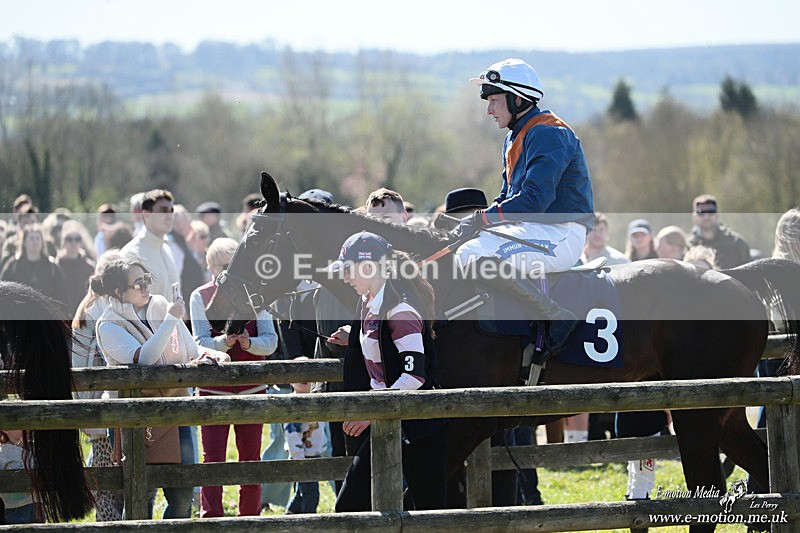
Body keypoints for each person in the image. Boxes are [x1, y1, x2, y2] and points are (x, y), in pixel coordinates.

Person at [452, 57, 594, 359]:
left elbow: (534, 199)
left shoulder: (548, 132)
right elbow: (506, 197)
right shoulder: (515, 136)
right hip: (539, 230)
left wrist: (482, 219)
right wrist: (475, 222)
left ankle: (555, 315)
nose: (489, 109)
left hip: (561, 235)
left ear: (517, 99)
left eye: (494, 100)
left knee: (471, 254)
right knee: (464, 247)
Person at [92, 259, 229, 519]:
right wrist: (170, 320)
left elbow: (191, 350)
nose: (145, 287)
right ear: (119, 292)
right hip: (136, 419)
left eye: (147, 279)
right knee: (140, 498)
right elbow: (144, 358)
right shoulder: (108, 325)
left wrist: (212, 354)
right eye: (138, 283)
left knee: (183, 497)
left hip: (178, 413)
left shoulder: (163, 308)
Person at [327, 231, 448, 512]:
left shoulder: (400, 310)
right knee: (349, 508)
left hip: (419, 430)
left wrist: (373, 413)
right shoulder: (369, 304)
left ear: (368, 267)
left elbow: (414, 376)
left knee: (430, 515)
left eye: (348, 270)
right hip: (387, 424)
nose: (345, 278)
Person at [189, 238, 279, 518]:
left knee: (251, 458)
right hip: (213, 388)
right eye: (226, 266)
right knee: (212, 459)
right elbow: (198, 342)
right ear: (212, 268)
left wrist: (249, 343)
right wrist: (224, 343)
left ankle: (250, 518)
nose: (232, 272)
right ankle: (211, 518)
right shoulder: (199, 296)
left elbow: (271, 341)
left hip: (253, 387)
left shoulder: (257, 296)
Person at [71, 249, 125, 522]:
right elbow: (83, 361)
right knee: (107, 476)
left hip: (100, 400)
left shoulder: (96, 305)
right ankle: (109, 524)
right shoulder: (97, 308)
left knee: (108, 468)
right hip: (99, 400)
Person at [283, 367, 329, 515]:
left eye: (308, 374)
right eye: (299, 374)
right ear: (291, 380)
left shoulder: (316, 400)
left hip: (312, 453)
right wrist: (299, 459)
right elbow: (292, 434)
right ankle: (310, 522)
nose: (304, 378)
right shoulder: (293, 405)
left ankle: (289, 515)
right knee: (311, 494)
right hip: (302, 456)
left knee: (301, 492)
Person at [120, 189, 180, 299]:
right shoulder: (132, 254)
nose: (169, 216)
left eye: (171, 210)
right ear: (146, 215)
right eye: (163, 211)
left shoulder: (167, 249)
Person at [0, 223, 66, 308]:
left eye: (37, 238)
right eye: (31, 238)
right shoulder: (13, 265)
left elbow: (61, 296)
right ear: (24, 242)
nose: (35, 242)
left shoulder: (52, 267)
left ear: (42, 242)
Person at [687, 194, 751, 268]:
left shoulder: (736, 243)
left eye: (711, 212)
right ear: (694, 216)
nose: (706, 216)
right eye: (701, 213)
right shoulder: (686, 245)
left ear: (717, 214)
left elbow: (749, 275)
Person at [56, 220, 97, 318]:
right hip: (62, 316)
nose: (73, 243)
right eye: (69, 239)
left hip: (83, 317)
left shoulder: (89, 267)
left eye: (77, 239)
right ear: (64, 241)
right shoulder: (56, 266)